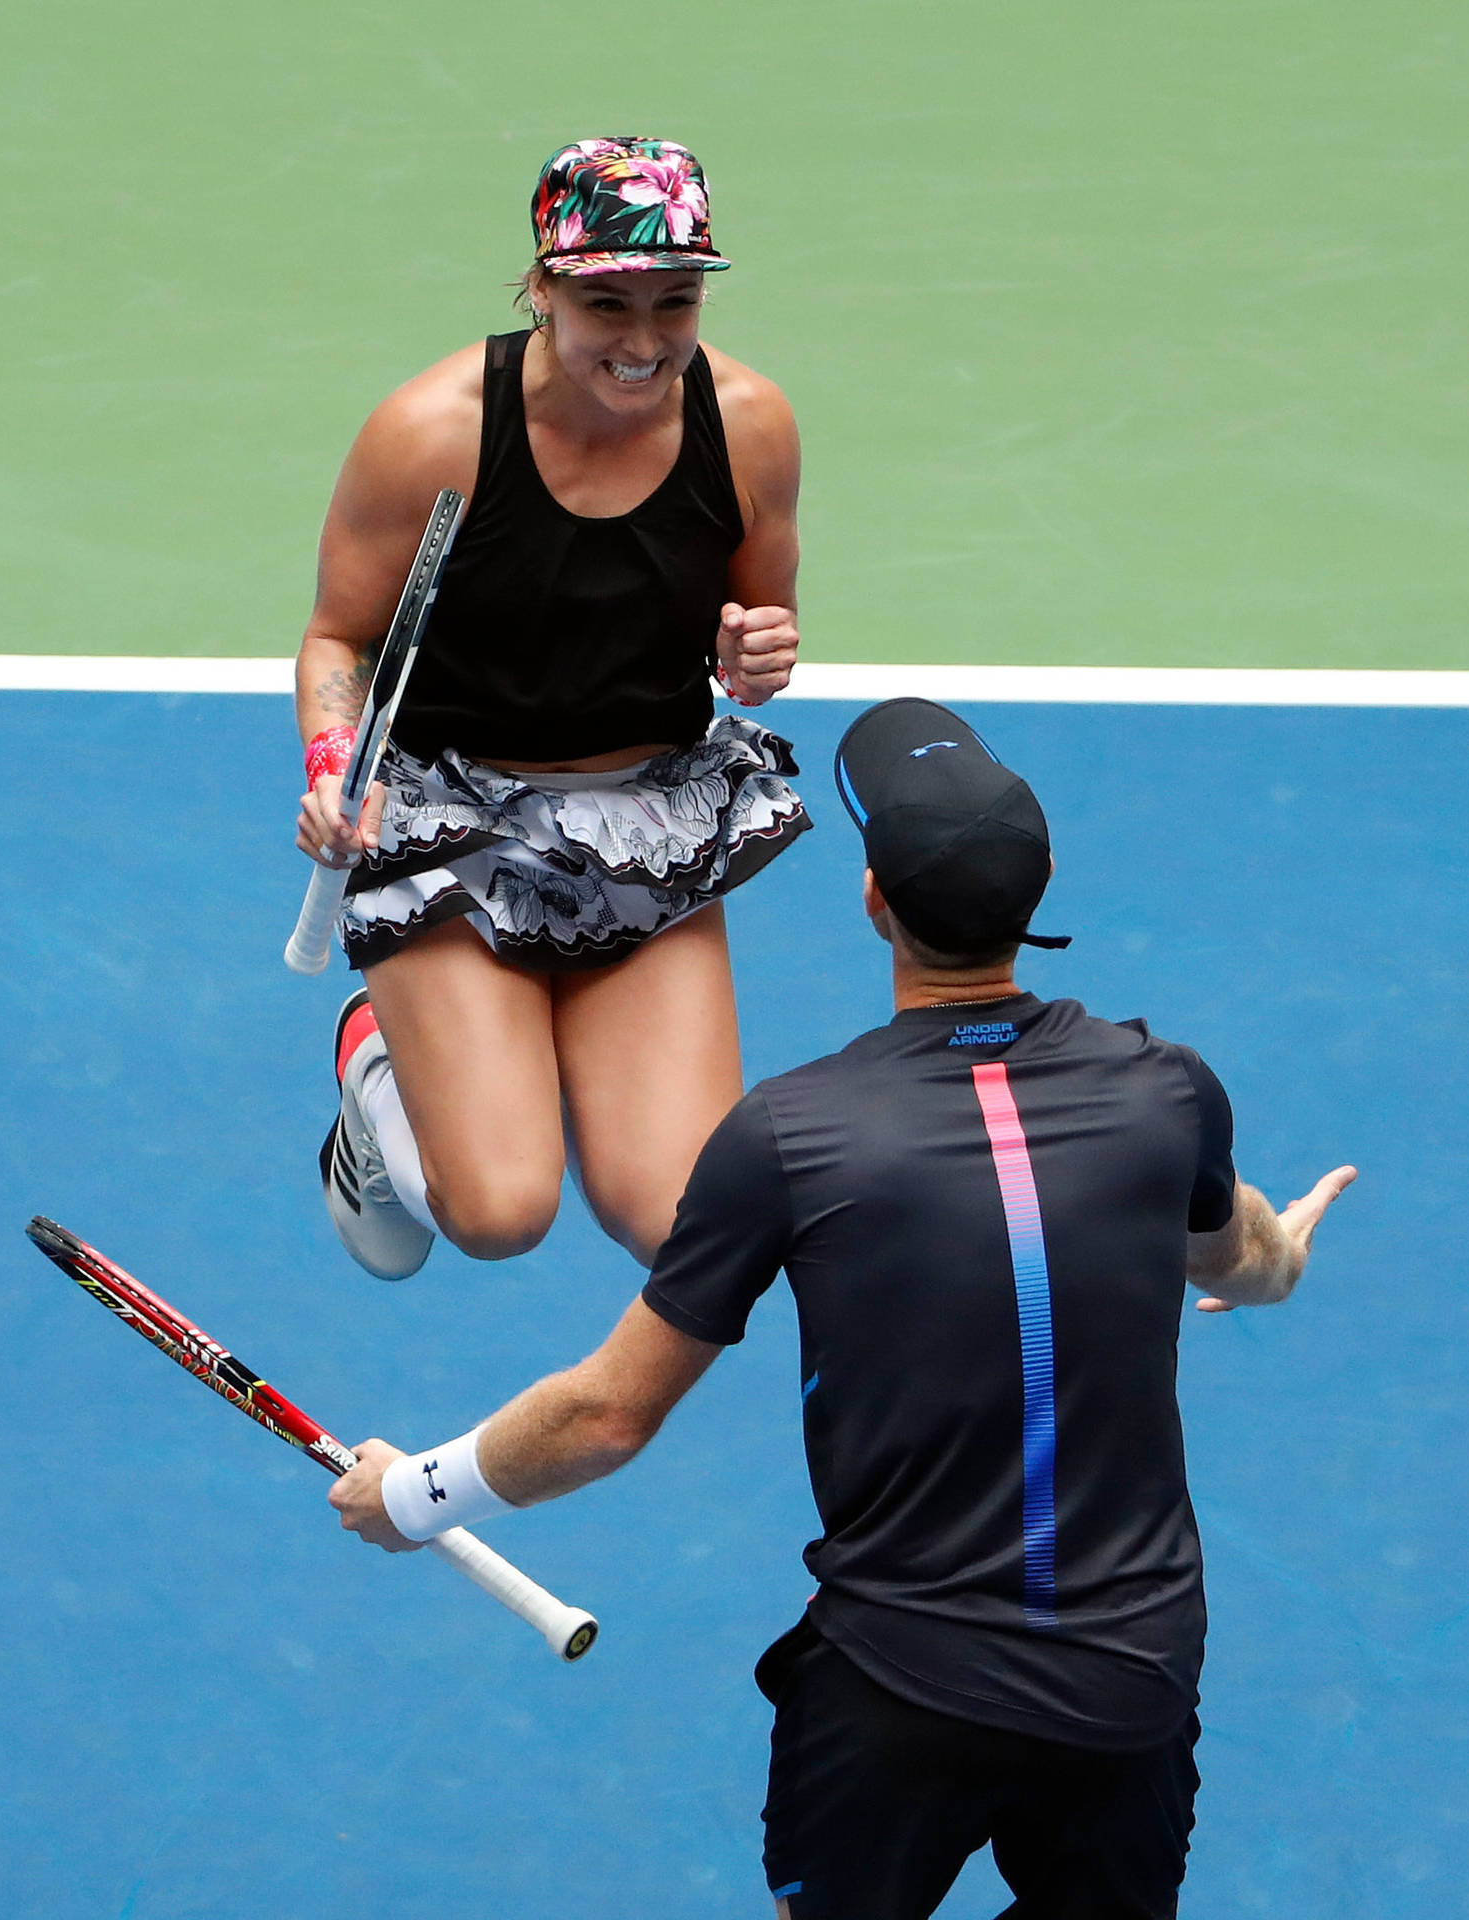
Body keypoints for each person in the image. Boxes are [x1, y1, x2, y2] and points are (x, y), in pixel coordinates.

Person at [328, 697, 1355, 1919]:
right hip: (1129, 1687)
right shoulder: (1168, 1093)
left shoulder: (790, 1137)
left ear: (874, 901)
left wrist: (410, 1494)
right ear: (1039, 896)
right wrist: (1281, 1249)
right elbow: (1240, 1257)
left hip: (896, 1695)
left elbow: (608, 1414)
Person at [294, 135, 809, 1282]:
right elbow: (338, 635)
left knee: (683, 1219)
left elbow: (758, 632)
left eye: (674, 305)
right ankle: (375, 1068)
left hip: (647, 817)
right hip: (452, 820)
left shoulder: (752, 425)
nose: (643, 343)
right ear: (543, 286)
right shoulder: (433, 434)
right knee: (498, 1213)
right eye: (606, 306)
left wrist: (756, 650)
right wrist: (337, 762)